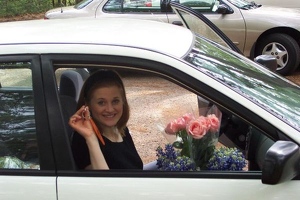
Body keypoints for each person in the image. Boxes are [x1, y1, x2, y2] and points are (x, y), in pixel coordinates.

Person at [69, 70, 143, 170]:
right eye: (101, 103)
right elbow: (103, 182)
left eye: (115, 101)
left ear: (123, 101)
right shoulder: (83, 139)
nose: (110, 109)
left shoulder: (122, 130)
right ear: (88, 105)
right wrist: (91, 138)